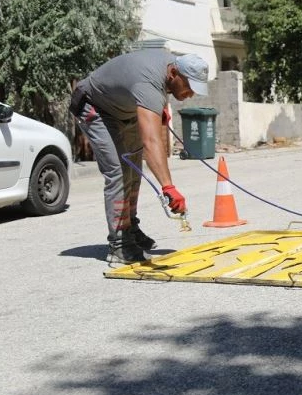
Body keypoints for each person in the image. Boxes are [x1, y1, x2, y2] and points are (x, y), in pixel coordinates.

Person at [70, 50, 210, 263]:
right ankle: (119, 244)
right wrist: (168, 187)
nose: (191, 94)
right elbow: (151, 143)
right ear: (173, 73)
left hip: (121, 110)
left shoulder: (167, 69)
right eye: (189, 86)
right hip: (94, 107)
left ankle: (130, 228)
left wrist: (157, 106)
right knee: (118, 170)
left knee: (134, 167)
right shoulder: (149, 82)